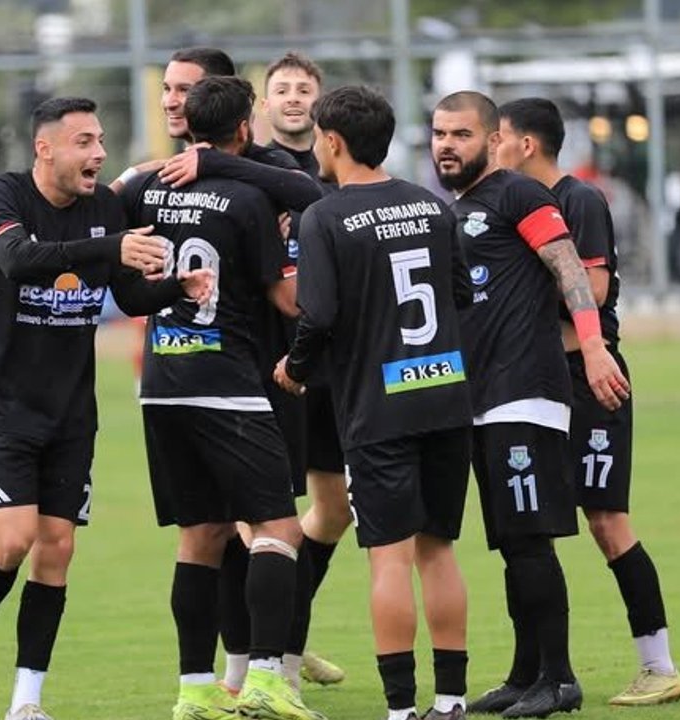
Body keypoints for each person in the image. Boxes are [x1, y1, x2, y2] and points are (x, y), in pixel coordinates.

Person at [0, 96, 214, 720]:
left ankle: (26, 702)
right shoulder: (2, 198)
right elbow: (17, 261)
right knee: (14, 540)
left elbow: (130, 296)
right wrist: (111, 247)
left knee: (57, 548)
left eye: (101, 141)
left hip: (70, 412)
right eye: (84, 142)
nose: (99, 153)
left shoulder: (105, 209)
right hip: (1, 404)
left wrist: (177, 287)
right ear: (46, 148)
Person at [128, 45, 333, 697]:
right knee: (274, 527)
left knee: (211, 534)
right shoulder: (240, 195)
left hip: (175, 382)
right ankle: (263, 676)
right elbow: (287, 294)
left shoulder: (155, 189)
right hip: (241, 379)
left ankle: (208, 686)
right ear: (246, 117)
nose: (171, 99)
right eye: (167, 88)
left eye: (182, 89)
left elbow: (124, 282)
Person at [429, 91, 630, 719]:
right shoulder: (457, 210)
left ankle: (560, 679)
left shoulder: (518, 194)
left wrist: (593, 349)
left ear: (494, 141)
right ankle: (524, 675)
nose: (446, 146)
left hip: (525, 393)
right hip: (480, 398)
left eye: (461, 134)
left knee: (530, 541)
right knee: (511, 544)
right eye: (439, 134)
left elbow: (569, 269)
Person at [275, 85, 473, 720]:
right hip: (445, 398)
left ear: (332, 141)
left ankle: (400, 709)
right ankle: (451, 700)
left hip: (379, 411)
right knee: (438, 550)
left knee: (389, 558)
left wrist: (296, 369)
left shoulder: (325, 216)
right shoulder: (433, 206)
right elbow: (461, 295)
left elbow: (318, 315)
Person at [496, 97, 680, 706]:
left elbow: (594, 288)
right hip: (536, 382)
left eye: (499, 136)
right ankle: (530, 674)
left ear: (526, 144)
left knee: (606, 521)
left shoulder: (577, 199)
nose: (492, 147)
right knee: (530, 529)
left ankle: (659, 665)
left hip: (589, 378)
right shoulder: (511, 203)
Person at [260, 50, 348, 687]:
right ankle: (270, 653)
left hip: (334, 369)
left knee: (334, 509)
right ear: (264, 103)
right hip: (275, 369)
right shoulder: (251, 171)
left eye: (304, 89)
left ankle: (290, 626)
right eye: (282, 88)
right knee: (268, 520)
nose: (294, 97)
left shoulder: (341, 171)